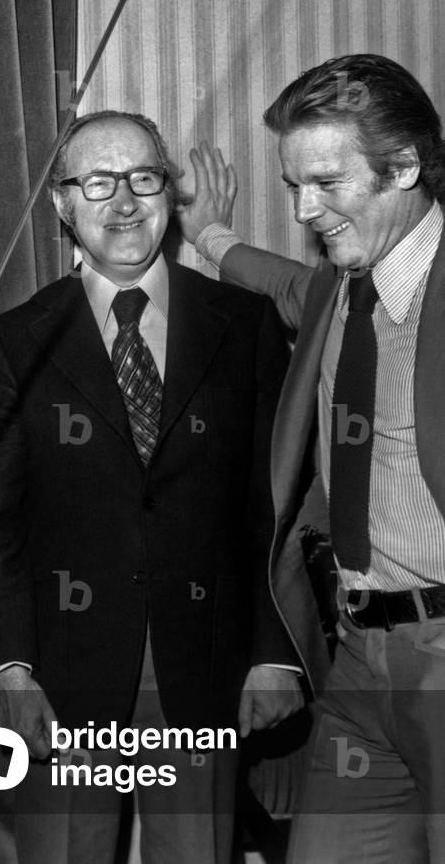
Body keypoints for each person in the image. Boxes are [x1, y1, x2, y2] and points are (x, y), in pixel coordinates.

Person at [0, 110, 303, 864]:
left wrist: (274, 652)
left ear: (169, 194)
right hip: (59, 677)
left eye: (143, 178)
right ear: (62, 203)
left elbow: (273, 504)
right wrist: (11, 668)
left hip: (207, 669)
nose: (123, 201)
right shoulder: (12, 340)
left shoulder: (244, 323)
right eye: (97, 182)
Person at [179, 52, 445, 863]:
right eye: (294, 185)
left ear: (403, 167)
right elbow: (283, 285)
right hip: (357, 660)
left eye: (326, 183)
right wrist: (208, 234)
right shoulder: (337, 285)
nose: (303, 208)